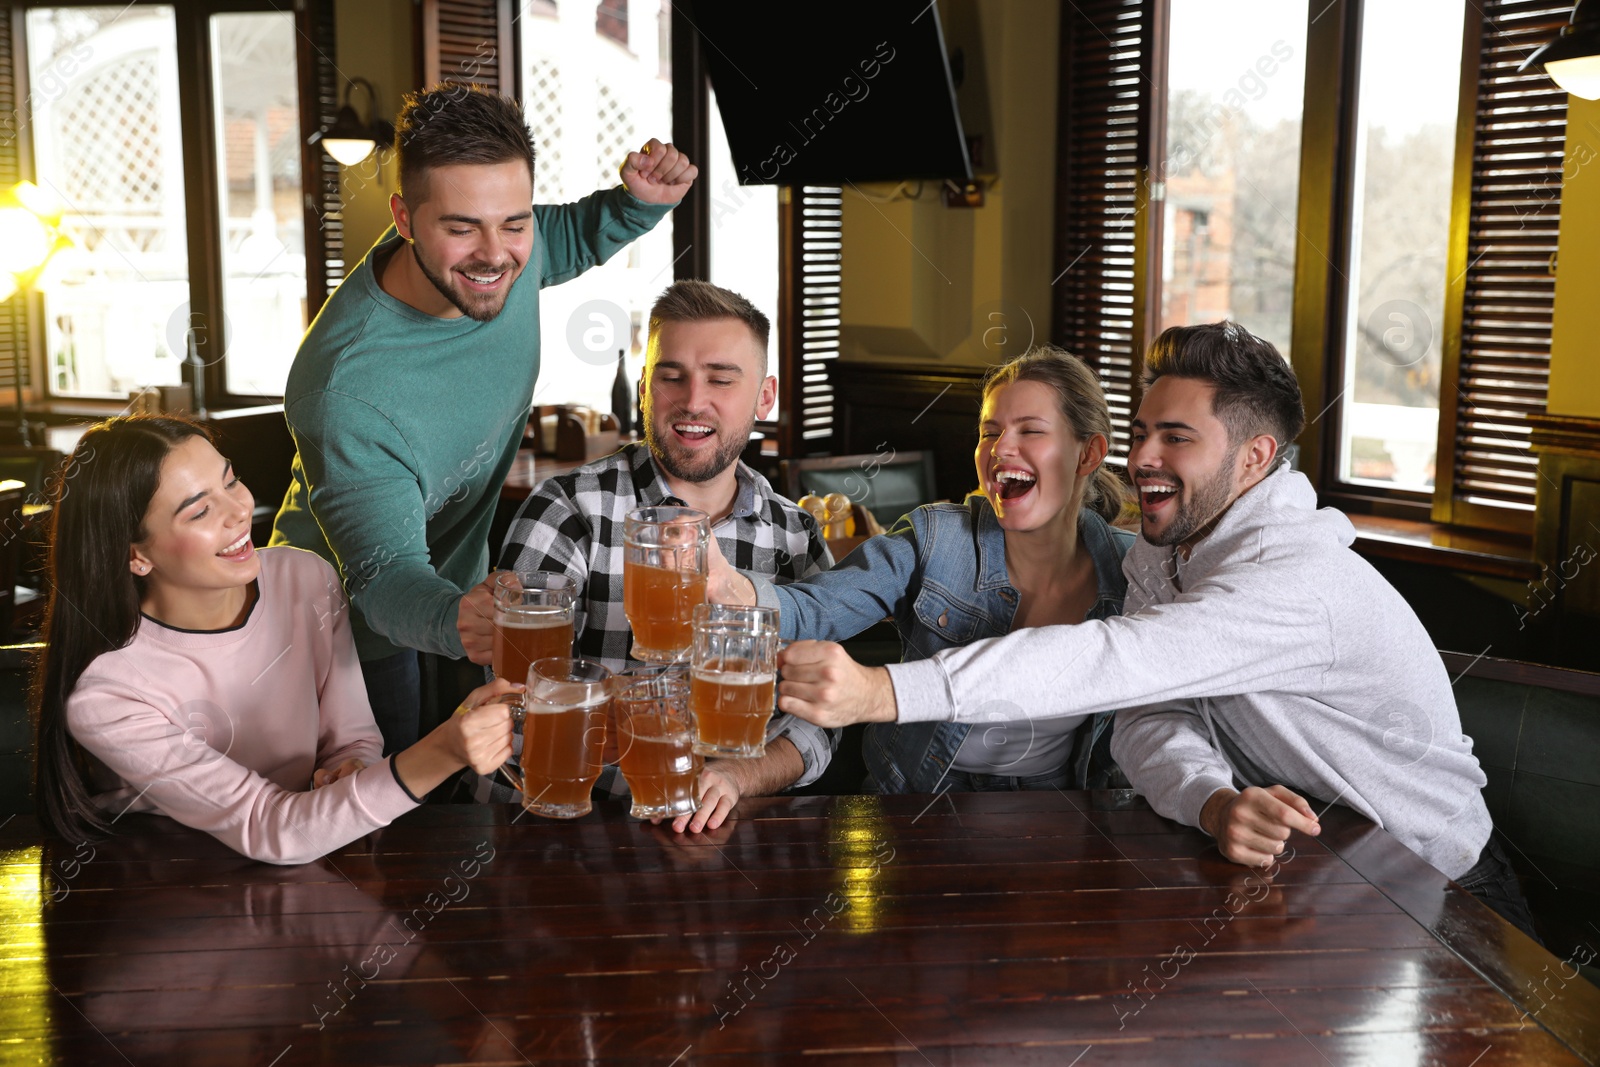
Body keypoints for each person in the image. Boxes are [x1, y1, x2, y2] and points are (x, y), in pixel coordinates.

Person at [773, 322, 1537, 938]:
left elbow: (1114, 661)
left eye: (1176, 437)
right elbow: (1150, 713)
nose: (1142, 458)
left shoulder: (1298, 580)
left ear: (1254, 457)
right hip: (1318, 868)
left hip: (1442, 888)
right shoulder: (1160, 555)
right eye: (1141, 431)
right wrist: (1212, 800)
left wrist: (881, 690)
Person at [269, 83, 696, 754]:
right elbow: (381, 574)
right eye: (461, 227)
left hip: (461, 600)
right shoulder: (345, 387)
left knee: (477, 798)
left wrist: (636, 204)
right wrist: (454, 617)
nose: (495, 255)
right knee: (391, 829)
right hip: (343, 635)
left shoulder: (501, 257)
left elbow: (569, 236)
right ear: (404, 219)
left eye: (514, 222)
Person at [32, 416, 518, 865]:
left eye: (230, 481)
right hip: (171, 883)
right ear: (135, 554)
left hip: (306, 866)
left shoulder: (305, 579)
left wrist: (349, 770)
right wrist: (445, 752)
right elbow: (270, 826)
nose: (238, 510)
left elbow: (351, 738)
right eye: (200, 511)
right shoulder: (107, 694)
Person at [469, 280, 834, 830]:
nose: (692, 401)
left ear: (765, 396)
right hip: (561, 827)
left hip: (727, 839)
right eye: (671, 377)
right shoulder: (570, 507)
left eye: (721, 378)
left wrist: (740, 776)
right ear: (644, 387)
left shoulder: (796, 534)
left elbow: (822, 722)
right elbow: (514, 699)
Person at [708, 345, 1135, 794]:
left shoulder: (1131, 571)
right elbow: (822, 605)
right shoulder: (936, 536)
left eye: (1030, 431)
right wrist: (730, 586)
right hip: (912, 798)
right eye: (989, 433)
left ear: (1088, 454)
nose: (1001, 448)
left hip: (1059, 806)